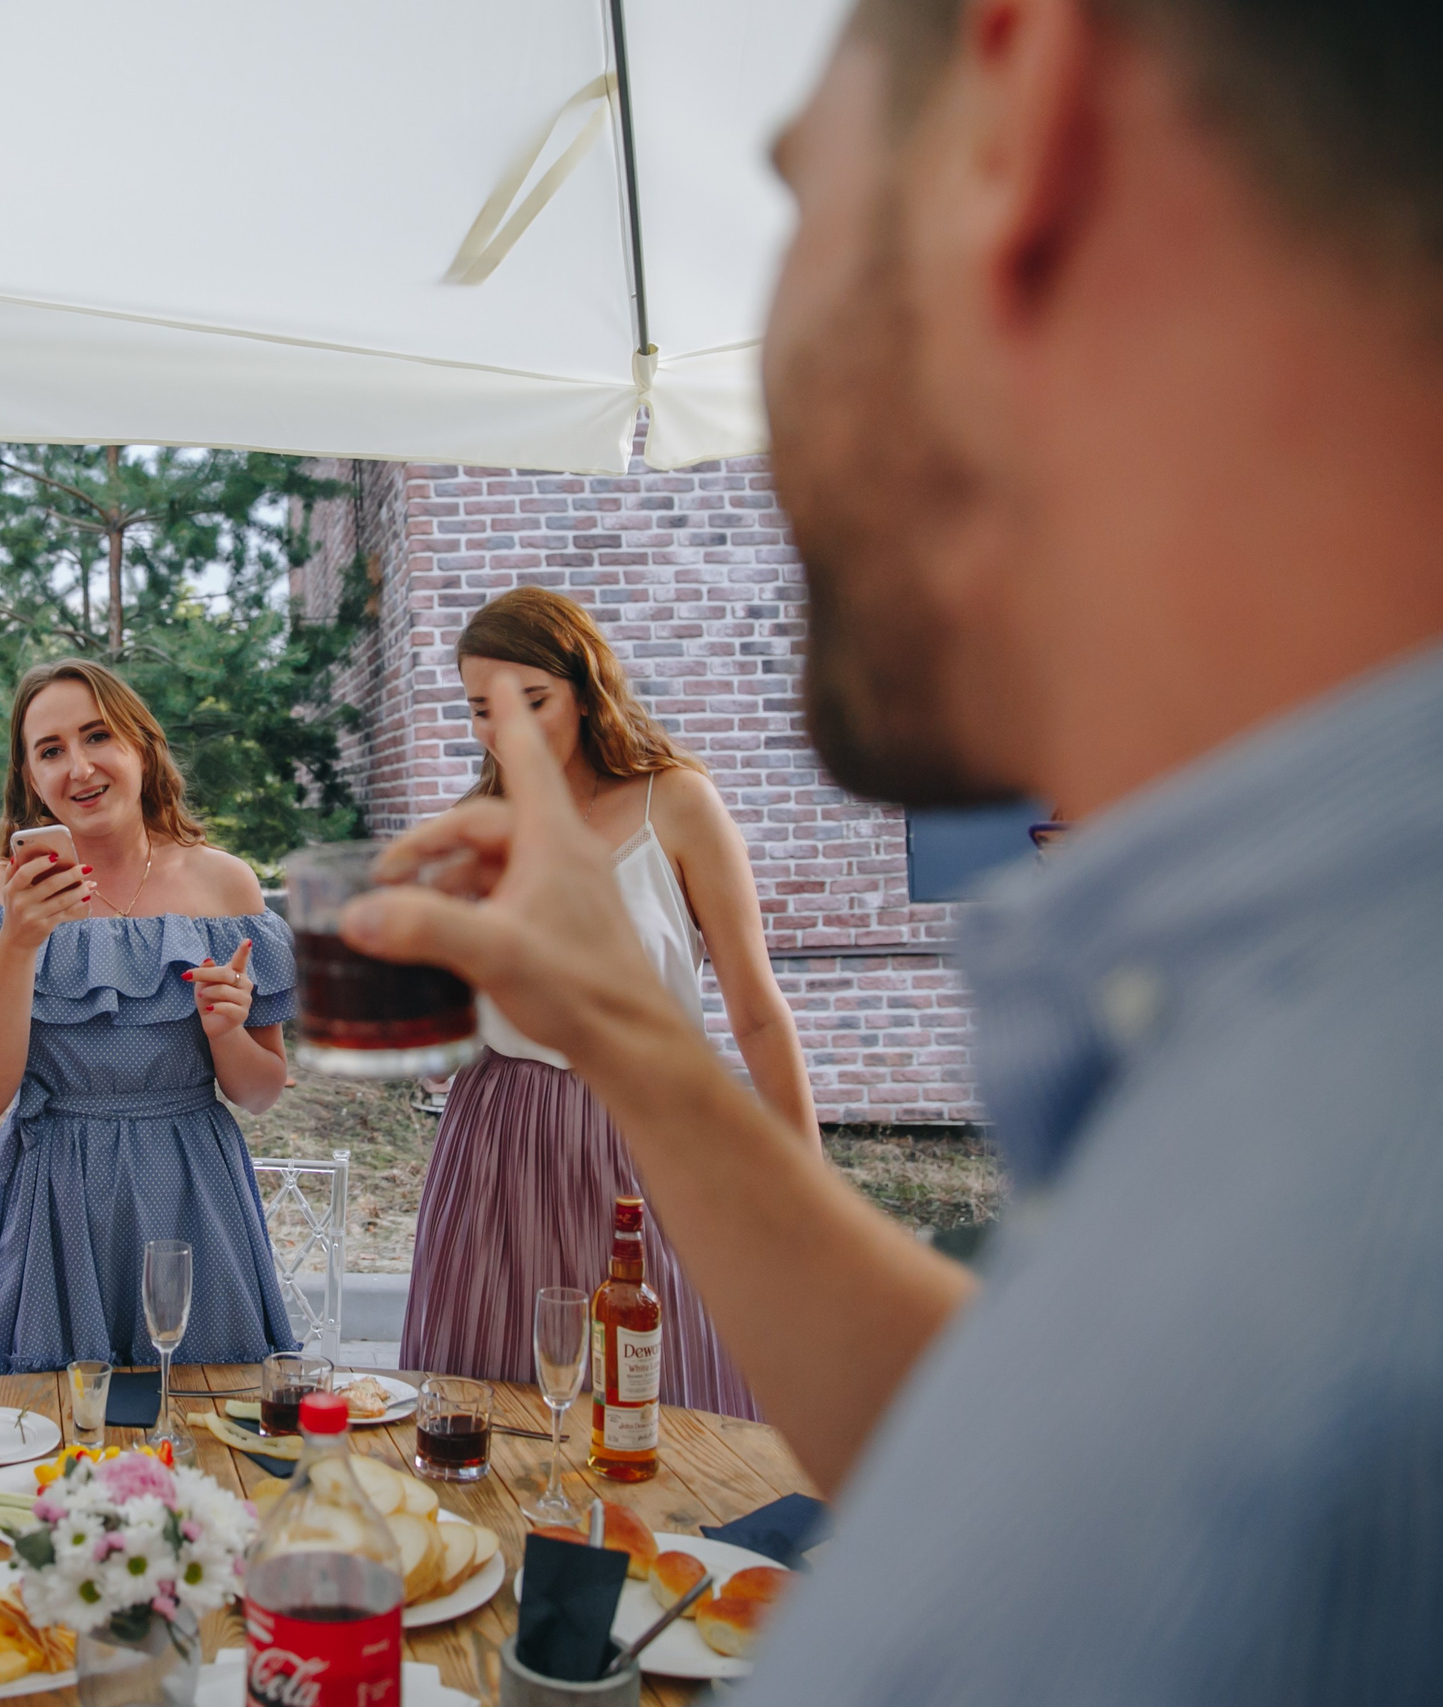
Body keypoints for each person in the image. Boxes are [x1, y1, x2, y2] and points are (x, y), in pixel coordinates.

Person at [340, 0, 1443, 1700]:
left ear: (1024, 101)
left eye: (799, 195)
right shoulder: (1287, 1011)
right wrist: (630, 1030)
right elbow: (1046, 1455)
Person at [399, 588, 815, 1409]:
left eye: (531, 701)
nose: (503, 730)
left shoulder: (679, 804)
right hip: (499, 1131)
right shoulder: (473, 825)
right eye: (482, 709)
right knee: (492, 1384)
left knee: (669, 1379)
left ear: (586, 690)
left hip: (649, 1126)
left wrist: (806, 1181)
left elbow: (757, 1009)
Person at [0, 660, 297, 1374]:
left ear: (142, 748)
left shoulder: (225, 883)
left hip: (192, 1193)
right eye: (51, 749)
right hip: (53, 1203)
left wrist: (225, 1032)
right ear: (29, 777)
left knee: (200, 1427)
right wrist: (20, 944)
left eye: (98, 736)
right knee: (49, 1437)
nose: (80, 766)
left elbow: (260, 1090)